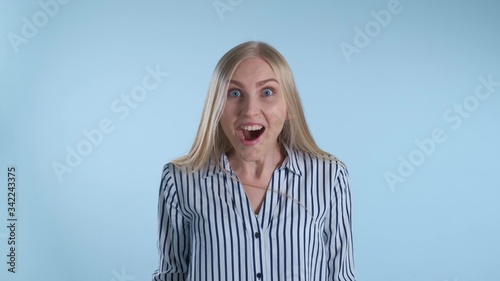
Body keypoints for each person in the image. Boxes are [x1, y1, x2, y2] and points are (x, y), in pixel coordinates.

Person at [152, 41, 355, 281]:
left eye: (267, 92)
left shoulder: (329, 177)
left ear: (288, 106)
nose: (250, 110)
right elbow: (171, 275)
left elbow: (341, 276)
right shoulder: (180, 180)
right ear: (216, 107)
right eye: (234, 93)